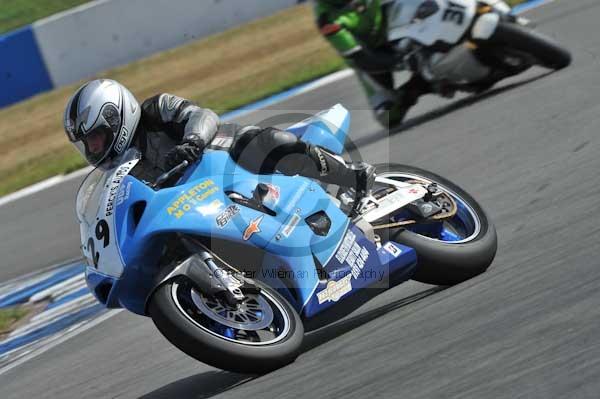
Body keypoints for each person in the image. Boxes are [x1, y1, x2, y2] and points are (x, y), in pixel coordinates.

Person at [63, 79, 374, 197]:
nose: (93, 149)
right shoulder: (125, 170)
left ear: (115, 118)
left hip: (229, 158)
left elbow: (203, 115)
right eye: (87, 144)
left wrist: (193, 141)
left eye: (96, 139)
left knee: (262, 143)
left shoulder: (156, 110)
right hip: (203, 199)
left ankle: (351, 177)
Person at [313, 0, 435, 127]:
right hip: (370, 54)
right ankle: (421, 85)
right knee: (388, 116)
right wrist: (403, 61)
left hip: (397, 29)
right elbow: (360, 58)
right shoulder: (325, 19)